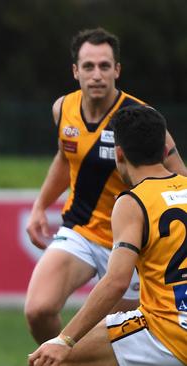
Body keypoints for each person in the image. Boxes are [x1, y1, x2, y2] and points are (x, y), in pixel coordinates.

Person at [24, 27, 186, 344]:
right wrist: (40, 206)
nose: (96, 74)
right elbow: (65, 157)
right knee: (38, 310)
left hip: (133, 242)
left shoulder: (141, 119)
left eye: (104, 66)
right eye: (88, 66)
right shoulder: (62, 109)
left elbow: (179, 176)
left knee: (108, 339)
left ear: (117, 70)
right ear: (75, 71)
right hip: (81, 229)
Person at [28, 105, 187, 366]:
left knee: (60, 359)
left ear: (119, 153)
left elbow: (116, 282)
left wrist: (63, 341)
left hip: (167, 332)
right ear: (163, 150)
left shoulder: (133, 201)